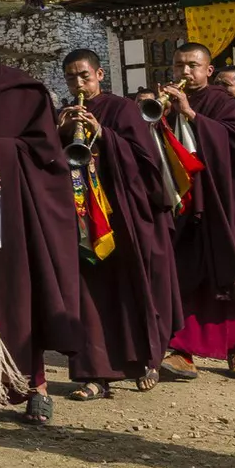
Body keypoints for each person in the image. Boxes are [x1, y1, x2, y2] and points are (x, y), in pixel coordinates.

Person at [0, 8, 81, 424]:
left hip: (11, 209)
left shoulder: (22, 89)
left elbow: (47, 154)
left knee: (21, 292)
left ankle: (35, 386)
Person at [59, 49, 178, 397]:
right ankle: (95, 374)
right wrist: (59, 131)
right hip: (83, 214)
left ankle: (147, 361)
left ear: (99, 75)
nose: (79, 84)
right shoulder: (65, 114)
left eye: (84, 76)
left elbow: (146, 160)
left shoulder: (121, 109)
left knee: (133, 286)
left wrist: (104, 134)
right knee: (89, 293)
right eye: (71, 78)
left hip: (123, 213)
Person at [156, 43, 235, 382]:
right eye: (179, 65)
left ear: (209, 70)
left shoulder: (223, 102)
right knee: (186, 274)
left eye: (192, 65)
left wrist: (192, 116)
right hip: (186, 205)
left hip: (224, 204)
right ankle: (183, 352)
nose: (185, 72)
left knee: (228, 274)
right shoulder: (167, 102)